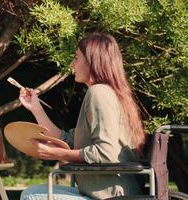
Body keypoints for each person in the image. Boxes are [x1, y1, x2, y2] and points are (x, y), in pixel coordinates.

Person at [19, 33, 145, 200]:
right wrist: (36, 108)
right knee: (33, 191)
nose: (72, 65)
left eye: (77, 58)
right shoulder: (107, 93)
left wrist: (57, 153)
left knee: (31, 196)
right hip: (106, 192)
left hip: (112, 196)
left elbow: (105, 152)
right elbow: (66, 140)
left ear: (93, 61)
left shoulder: (99, 93)